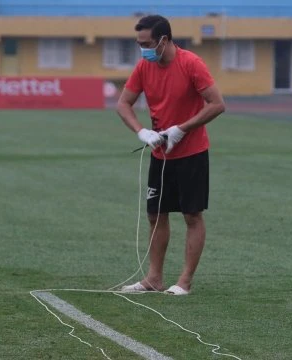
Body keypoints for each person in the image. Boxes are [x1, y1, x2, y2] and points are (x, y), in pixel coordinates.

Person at [116, 15, 225, 295]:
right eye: (139, 44)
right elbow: (124, 104)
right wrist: (142, 132)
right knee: (156, 215)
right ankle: (154, 279)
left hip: (192, 153)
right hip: (160, 154)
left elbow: (217, 104)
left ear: (164, 40)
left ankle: (184, 281)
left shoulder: (191, 64)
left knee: (192, 215)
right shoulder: (144, 67)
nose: (143, 49)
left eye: (147, 43)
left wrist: (181, 129)